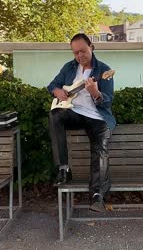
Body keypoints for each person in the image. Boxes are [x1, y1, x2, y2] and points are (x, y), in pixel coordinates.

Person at [47, 33, 116, 212]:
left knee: (100, 149)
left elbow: (107, 101)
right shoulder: (69, 68)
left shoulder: (104, 71)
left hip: (97, 117)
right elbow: (52, 85)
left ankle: (97, 195)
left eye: (83, 51)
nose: (79, 56)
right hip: (75, 112)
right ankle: (63, 169)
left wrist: (96, 93)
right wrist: (57, 92)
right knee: (55, 115)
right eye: (75, 52)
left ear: (91, 47)